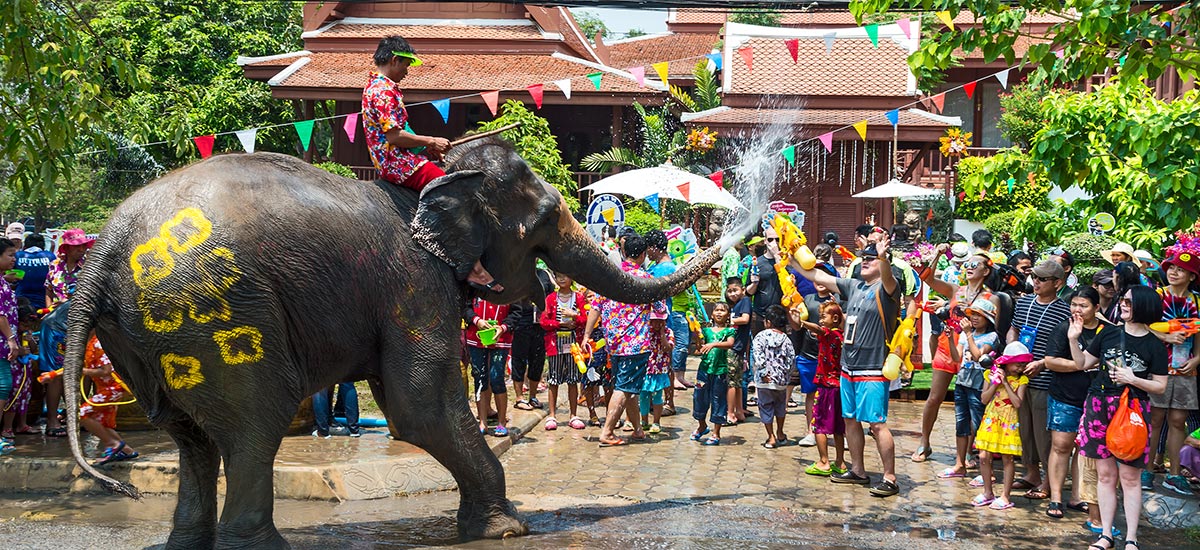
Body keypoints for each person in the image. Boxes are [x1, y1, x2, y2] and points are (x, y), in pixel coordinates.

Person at [363, 35, 500, 293]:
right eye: (406, 65)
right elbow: (394, 136)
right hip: (397, 164)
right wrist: (431, 139)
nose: (407, 71)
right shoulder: (383, 91)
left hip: (399, 158)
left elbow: (399, 133)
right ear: (394, 60)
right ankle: (473, 267)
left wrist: (427, 147)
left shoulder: (375, 86)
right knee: (453, 193)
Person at [793, 239, 902, 497]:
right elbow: (816, 274)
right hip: (848, 367)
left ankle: (890, 477)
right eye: (863, 256)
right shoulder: (854, 286)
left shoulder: (887, 290)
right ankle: (858, 470)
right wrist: (787, 260)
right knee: (850, 421)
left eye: (871, 257)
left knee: (876, 424)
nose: (865, 260)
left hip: (873, 367)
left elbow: (888, 278)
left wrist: (884, 258)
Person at [1068, 285, 1169, 550]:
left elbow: (1160, 386)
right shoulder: (1108, 333)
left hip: (1133, 411)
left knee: (1130, 477)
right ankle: (1105, 534)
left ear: (1144, 307)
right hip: (1099, 405)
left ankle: (1132, 538)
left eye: (1128, 302)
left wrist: (1132, 379)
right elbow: (1082, 364)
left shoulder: (1154, 345)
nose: (1122, 304)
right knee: (1104, 475)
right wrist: (1073, 338)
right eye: (1123, 300)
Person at [914, 250, 1000, 462]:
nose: (969, 267)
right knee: (934, 398)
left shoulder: (992, 297)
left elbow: (995, 328)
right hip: (947, 349)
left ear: (986, 271)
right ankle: (924, 442)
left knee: (972, 404)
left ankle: (968, 451)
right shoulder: (956, 290)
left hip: (972, 354)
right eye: (967, 264)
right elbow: (927, 278)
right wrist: (937, 254)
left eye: (975, 265)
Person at [584, 235, 666, 447]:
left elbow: (595, 308)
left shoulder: (611, 278)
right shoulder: (646, 280)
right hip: (635, 345)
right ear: (642, 254)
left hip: (614, 345)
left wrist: (586, 335)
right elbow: (661, 309)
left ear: (623, 252)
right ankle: (608, 432)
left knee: (629, 387)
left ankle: (637, 429)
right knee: (624, 388)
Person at [1043, 287, 1111, 518]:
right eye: (1074, 305)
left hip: (1095, 400)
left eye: (1084, 306)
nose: (1077, 310)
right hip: (1064, 396)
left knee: (1084, 450)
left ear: (1097, 308)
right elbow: (1050, 361)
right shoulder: (1064, 328)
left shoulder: (1107, 331)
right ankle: (1056, 498)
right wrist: (1080, 365)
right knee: (1061, 446)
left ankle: (1077, 497)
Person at [1008, 260, 1072, 500]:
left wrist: (1043, 363)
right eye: (1034, 277)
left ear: (1057, 283)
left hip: (1045, 377)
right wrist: (1011, 350)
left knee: (1043, 431)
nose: (1036, 282)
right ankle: (1031, 473)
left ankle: (1048, 481)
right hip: (1019, 375)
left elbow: (1066, 347)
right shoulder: (1023, 302)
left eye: (1042, 279)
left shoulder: (1064, 310)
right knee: (1024, 428)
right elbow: (1013, 329)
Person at [1145, 252, 1200, 495]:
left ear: (1192, 275)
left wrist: (1198, 359)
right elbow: (1141, 325)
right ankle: (1146, 470)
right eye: (1171, 268)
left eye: (1180, 269)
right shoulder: (1157, 297)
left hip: (1186, 370)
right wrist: (1166, 336)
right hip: (1158, 368)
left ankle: (1174, 474)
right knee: (1155, 419)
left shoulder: (1196, 301)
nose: (1173, 272)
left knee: (1178, 421)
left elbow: (1199, 335)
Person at [939, 299, 999, 479]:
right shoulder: (966, 335)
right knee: (961, 423)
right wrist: (951, 338)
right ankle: (959, 464)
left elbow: (979, 356)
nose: (974, 319)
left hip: (980, 383)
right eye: (973, 315)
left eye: (979, 315)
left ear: (988, 319)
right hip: (963, 381)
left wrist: (968, 334)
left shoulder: (991, 337)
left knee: (980, 424)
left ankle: (987, 471)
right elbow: (957, 357)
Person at [971, 341, 1031, 511]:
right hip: (991, 418)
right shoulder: (990, 374)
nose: (1020, 367)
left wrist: (1006, 383)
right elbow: (984, 399)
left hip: (1008, 421)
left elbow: (1018, 403)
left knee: (1008, 458)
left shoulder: (1022, 380)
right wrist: (996, 382)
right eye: (1017, 363)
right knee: (983, 456)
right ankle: (988, 492)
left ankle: (1005, 495)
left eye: (1023, 364)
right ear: (1007, 361)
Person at [798, 301, 848, 476]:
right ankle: (840, 462)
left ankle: (824, 461)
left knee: (819, 425)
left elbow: (819, 330)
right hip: (840, 386)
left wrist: (802, 322)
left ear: (835, 318)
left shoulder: (829, 334)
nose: (820, 320)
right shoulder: (842, 335)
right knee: (838, 428)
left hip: (827, 386)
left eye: (823, 316)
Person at [644, 230, 692, 403]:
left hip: (661, 321)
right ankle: (659, 401)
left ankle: (667, 401)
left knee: (664, 363)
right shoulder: (662, 265)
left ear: (655, 248)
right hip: (660, 319)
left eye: (648, 248)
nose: (647, 252)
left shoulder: (664, 268)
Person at [80, 334, 140, 465]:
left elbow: (106, 370)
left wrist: (84, 371)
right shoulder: (90, 343)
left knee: (83, 413)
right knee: (103, 422)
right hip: (105, 388)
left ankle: (111, 444)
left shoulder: (99, 343)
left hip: (113, 388)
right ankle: (127, 450)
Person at [540, 272, 587, 431]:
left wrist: (575, 317)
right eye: (558, 276)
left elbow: (586, 320)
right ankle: (552, 415)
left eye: (565, 276)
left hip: (574, 344)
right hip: (555, 342)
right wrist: (557, 324)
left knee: (573, 379)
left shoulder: (579, 298)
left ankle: (573, 415)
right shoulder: (551, 299)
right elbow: (544, 321)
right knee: (554, 378)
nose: (562, 279)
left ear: (572, 278)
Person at [464, 297, 514, 437]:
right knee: (480, 378)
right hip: (476, 337)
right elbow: (465, 306)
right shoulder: (474, 282)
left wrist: (503, 327)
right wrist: (476, 320)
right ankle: (483, 423)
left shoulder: (509, 285)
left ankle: (501, 422)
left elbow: (516, 312)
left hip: (501, 339)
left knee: (496, 377)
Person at [751, 305, 795, 449]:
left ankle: (771, 437)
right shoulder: (786, 339)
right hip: (781, 381)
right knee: (780, 406)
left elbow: (758, 356)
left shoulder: (760, 337)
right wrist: (786, 376)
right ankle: (780, 433)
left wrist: (763, 373)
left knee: (765, 407)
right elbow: (791, 360)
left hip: (764, 382)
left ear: (768, 322)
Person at [692, 302, 734, 445]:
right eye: (716, 310)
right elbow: (698, 349)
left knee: (718, 400)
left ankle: (716, 433)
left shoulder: (729, 331)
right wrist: (697, 335)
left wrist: (713, 344)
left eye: (723, 310)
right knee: (699, 397)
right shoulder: (706, 331)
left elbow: (730, 344)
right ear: (712, 314)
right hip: (704, 370)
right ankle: (702, 425)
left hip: (720, 371)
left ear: (728, 315)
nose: (719, 313)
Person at [1, 306, 38, 439]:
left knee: (25, 396)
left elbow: (33, 349)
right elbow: (10, 352)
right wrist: (20, 351)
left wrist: (30, 340)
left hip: (25, 371)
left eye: (28, 325)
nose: (25, 327)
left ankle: (22, 424)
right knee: (13, 397)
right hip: (14, 369)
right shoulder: (10, 334)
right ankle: (7, 427)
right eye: (23, 324)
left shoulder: (27, 333)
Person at [0, 239, 22, 451]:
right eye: (9, 254)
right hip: (2, 342)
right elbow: (1, 315)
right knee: (3, 385)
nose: (13, 259)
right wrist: (10, 339)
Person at [639, 310, 672, 433]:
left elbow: (667, 348)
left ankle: (656, 422)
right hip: (645, 369)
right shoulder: (644, 331)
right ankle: (644, 421)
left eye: (660, 321)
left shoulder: (669, 332)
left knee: (657, 395)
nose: (657, 324)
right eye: (654, 321)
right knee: (643, 396)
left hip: (659, 369)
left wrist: (662, 334)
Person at [45, 228, 91, 309]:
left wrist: (68, 303)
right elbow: (49, 290)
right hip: (55, 315)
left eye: (84, 246)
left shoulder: (89, 267)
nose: (81, 249)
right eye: (77, 246)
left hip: (79, 315)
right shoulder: (54, 265)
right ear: (67, 248)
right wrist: (49, 310)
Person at [726, 280, 752, 424]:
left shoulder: (745, 301)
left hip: (735, 347)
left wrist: (729, 319)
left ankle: (730, 413)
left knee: (731, 382)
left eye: (735, 290)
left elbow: (745, 319)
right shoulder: (736, 305)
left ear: (742, 289)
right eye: (729, 291)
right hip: (738, 347)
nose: (732, 293)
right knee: (737, 381)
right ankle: (739, 410)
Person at [14, 234, 55, 308]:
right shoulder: (50, 256)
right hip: (44, 301)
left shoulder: (17, 256)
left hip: (21, 300)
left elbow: (13, 277)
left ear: (25, 246)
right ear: (43, 246)